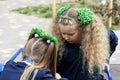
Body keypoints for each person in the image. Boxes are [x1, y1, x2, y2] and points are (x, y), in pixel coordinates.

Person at [50, 5, 118, 80]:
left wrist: (104, 60)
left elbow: (112, 39)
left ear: (83, 30)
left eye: (71, 34)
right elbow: (53, 68)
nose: (66, 37)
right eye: (63, 33)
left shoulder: (94, 38)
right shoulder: (60, 47)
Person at [0, 28, 68, 80]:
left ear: (24, 51)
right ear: (48, 58)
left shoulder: (9, 65)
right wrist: (59, 78)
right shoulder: (42, 75)